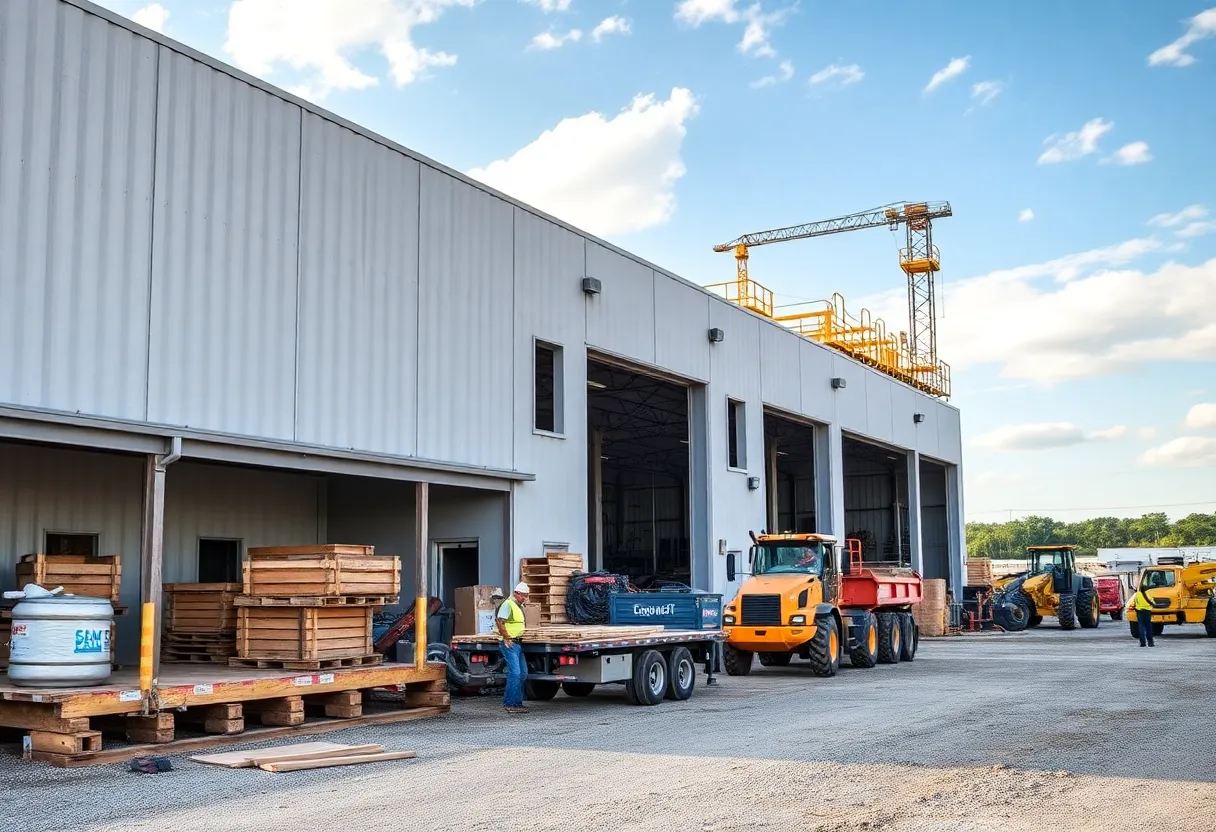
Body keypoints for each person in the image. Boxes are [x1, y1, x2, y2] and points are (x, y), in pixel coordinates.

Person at [496, 582, 530, 713]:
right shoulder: (508, 604)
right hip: (510, 643)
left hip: (518, 643)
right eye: (523, 596)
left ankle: (517, 703)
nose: (525, 598)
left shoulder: (518, 605)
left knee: (523, 673)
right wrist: (507, 637)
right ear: (517, 593)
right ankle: (509, 703)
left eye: (526, 596)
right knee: (515, 673)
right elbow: (500, 621)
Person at [1133, 583, 1156, 647]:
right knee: (1148, 628)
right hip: (1147, 612)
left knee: (1141, 627)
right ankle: (1150, 642)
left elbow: (1135, 602)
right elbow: (1153, 602)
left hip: (1140, 612)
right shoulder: (1148, 594)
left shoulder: (1137, 595)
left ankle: (1142, 643)